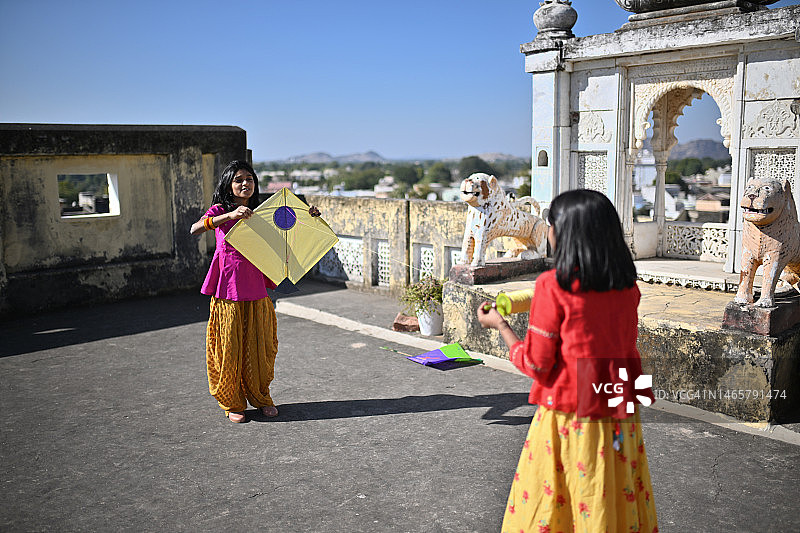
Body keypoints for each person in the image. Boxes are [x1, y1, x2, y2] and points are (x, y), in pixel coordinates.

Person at [477, 189, 658, 533]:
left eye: (551, 224)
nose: (547, 232)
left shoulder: (552, 286)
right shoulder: (626, 286)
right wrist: (515, 301)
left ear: (565, 233)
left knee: (561, 503)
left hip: (571, 417)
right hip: (620, 409)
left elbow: (536, 364)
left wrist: (501, 326)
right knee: (611, 498)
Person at [190, 160, 288, 423]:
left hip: (256, 289)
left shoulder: (261, 211)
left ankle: (261, 397)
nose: (245, 184)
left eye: (250, 179)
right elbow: (195, 228)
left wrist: (311, 215)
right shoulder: (220, 210)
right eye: (239, 179)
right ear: (229, 184)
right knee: (230, 347)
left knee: (259, 347)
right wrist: (228, 216)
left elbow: (289, 229)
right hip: (228, 291)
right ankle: (233, 402)